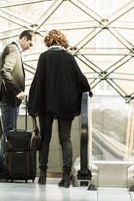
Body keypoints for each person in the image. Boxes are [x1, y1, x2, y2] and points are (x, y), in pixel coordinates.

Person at [28, 29, 91, 187]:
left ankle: (42, 175)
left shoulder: (44, 57)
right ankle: (66, 176)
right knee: (65, 138)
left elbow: (37, 80)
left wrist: (32, 104)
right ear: (62, 41)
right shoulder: (69, 57)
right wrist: (87, 90)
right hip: (66, 103)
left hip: (46, 103)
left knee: (45, 139)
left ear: (49, 42)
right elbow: (80, 77)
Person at [0, 30, 35, 174]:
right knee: (9, 133)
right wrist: (17, 91)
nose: (30, 46)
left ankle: (6, 167)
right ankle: (4, 168)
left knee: (9, 131)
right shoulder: (13, 49)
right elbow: (4, 71)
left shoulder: (11, 49)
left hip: (7, 98)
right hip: (9, 98)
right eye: (30, 43)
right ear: (23, 39)